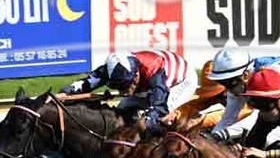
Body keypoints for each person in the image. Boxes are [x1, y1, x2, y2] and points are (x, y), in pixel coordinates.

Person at [199, 48, 280, 140]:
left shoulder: (270, 76)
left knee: (269, 138)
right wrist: (209, 139)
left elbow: (258, 118)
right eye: (223, 83)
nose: (228, 90)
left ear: (245, 75)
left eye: (229, 83)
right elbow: (228, 119)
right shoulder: (239, 81)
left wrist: (221, 135)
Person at [61, 49, 196, 134]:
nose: (124, 92)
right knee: (123, 108)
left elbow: (159, 105)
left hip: (181, 81)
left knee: (157, 119)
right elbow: (87, 83)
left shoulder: (153, 69)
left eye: (127, 85)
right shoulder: (109, 70)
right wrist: (68, 92)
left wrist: (150, 119)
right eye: (120, 88)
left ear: (136, 75)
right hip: (150, 85)